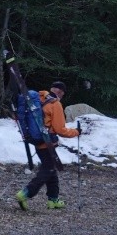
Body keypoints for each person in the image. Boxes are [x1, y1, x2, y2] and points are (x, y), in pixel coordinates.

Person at [16, 81, 81, 210]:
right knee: (48, 169)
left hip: (36, 140)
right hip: (48, 142)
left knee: (51, 168)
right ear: (61, 93)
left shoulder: (38, 99)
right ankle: (26, 193)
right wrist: (76, 132)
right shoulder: (55, 104)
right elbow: (60, 129)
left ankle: (53, 199)